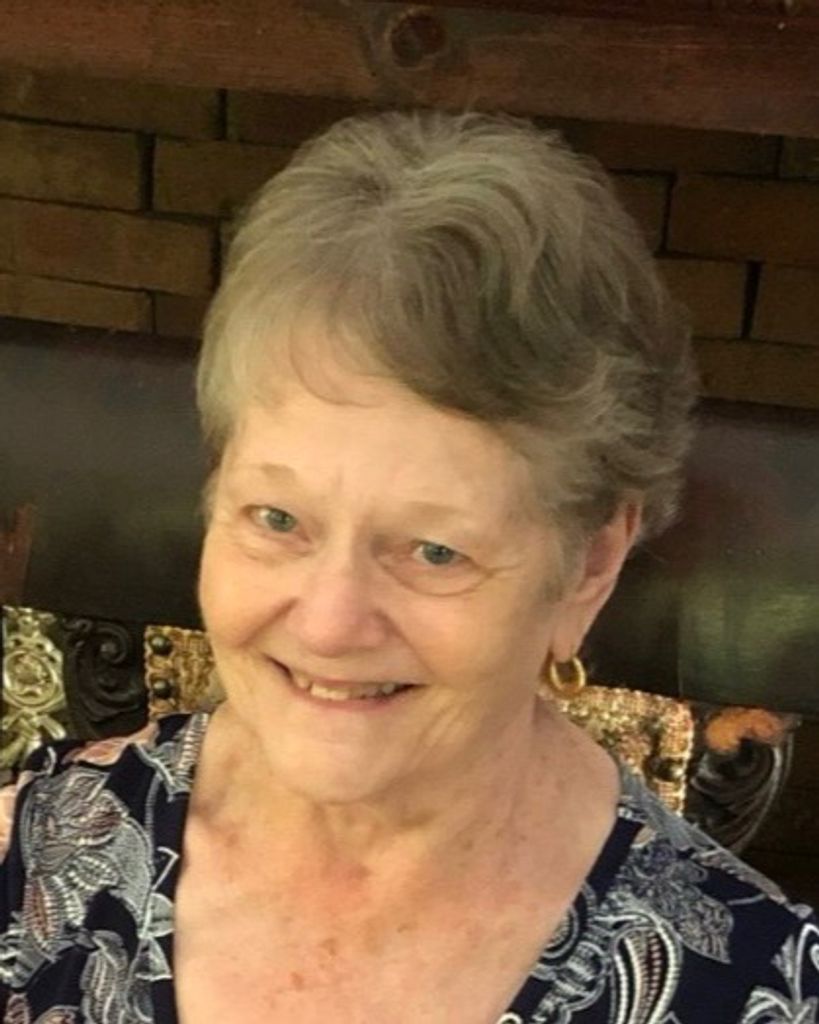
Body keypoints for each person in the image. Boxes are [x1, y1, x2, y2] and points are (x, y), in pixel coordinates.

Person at [1, 109, 816, 1024]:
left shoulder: (754, 989)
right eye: (277, 519)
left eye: (435, 550)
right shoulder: (35, 858)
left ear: (588, 564)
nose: (328, 623)